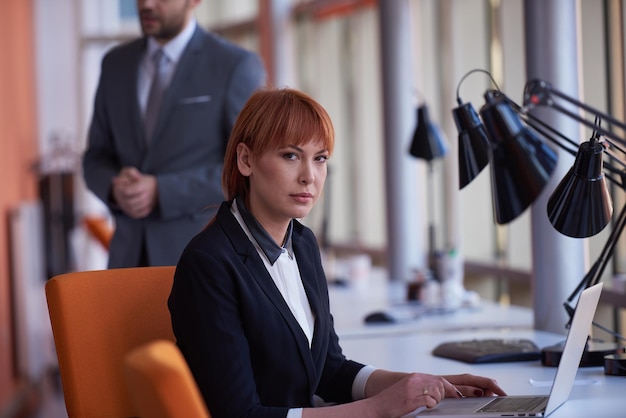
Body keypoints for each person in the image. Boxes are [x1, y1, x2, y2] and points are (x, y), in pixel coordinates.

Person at [168, 87, 506, 418]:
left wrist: (430, 385)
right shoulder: (209, 263)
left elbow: (329, 369)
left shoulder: (302, 244)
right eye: (290, 155)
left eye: (320, 159)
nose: (309, 176)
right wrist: (378, 409)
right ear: (246, 160)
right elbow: (240, 413)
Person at [82, 0, 266, 268]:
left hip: (203, 260)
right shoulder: (114, 64)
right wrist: (114, 188)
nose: (146, 4)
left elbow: (251, 168)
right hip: (125, 261)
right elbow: (95, 157)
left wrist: (163, 191)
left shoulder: (235, 66)